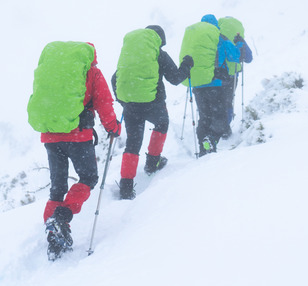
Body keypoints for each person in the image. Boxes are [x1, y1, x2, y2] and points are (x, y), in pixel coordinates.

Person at [26, 41, 122, 260]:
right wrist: (113, 127)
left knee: (57, 187)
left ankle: (52, 233)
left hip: (50, 135)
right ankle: (62, 217)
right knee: (88, 177)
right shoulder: (92, 72)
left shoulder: (53, 72)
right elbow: (104, 103)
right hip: (78, 135)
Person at [111, 25, 193, 200]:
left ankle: (126, 185)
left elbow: (114, 79)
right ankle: (152, 162)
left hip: (131, 104)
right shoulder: (159, 55)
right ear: (159, 41)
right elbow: (175, 78)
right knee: (162, 123)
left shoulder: (130, 58)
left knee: (133, 143)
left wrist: (123, 101)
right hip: (153, 103)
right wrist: (187, 64)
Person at [179, 14, 246, 156]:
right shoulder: (220, 38)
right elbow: (236, 56)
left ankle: (204, 148)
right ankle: (211, 140)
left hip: (198, 86)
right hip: (216, 85)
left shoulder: (196, 42)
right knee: (220, 118)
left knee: (204, 117)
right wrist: (239, 43)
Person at [217, 17, 253, 138]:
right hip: (233, 76)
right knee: (227, 101)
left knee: (216, 101)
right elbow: (248, 58)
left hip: (218, 74)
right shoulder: (239, 39)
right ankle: (225, 128)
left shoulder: (217, 37)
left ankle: (214, 126)